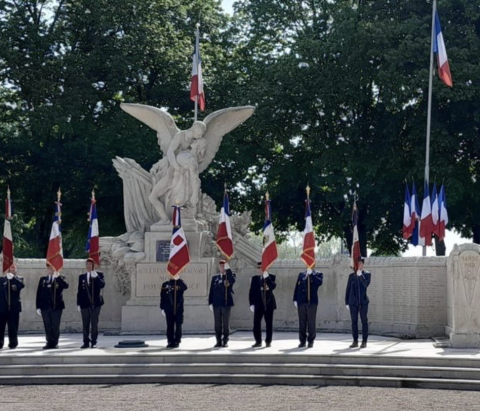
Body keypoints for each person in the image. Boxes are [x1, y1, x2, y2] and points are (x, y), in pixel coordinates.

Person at [36, 264, 69, 349]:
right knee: (47, 325)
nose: (50, 270)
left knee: (55, 325)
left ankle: (55, 342)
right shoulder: (43, 279)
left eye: (52, 268)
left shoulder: (61, 277)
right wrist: (38, 306)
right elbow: (39, 293)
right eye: (48, 268)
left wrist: (57, 277)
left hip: (56, 306)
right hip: (45, 306)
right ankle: (49, 342)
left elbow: (66, 286)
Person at [76, 258, 106, 349]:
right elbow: (79, 291)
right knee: (85, 323)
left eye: (90, 264)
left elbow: (102, 285)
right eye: (87, 264)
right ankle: (85, 341)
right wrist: (78, 303)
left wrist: (96, 277)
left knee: (94, 323)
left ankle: (94, 342)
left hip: (96, 303)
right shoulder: (82, 277)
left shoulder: (99, 275)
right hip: (84, 303)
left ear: (94, 266)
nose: (88, 266)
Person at [293, 267, 323, 348]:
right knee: (302, 322)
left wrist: (312, 274)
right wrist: (295, 299)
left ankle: (311, 340)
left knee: (311, 322)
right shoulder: (301, 274)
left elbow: (319, 283)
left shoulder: (318, 274)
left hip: (312, 302)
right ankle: (302, 341)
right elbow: (297, 287)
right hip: (301, 301)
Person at [208, 260, 236, 348]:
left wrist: (228, 270)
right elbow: (211, 291)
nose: (222, 268)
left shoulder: (230, 276)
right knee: (217, 324)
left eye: (224, 266)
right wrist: (210, 302)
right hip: (216, 304)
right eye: (221, 266)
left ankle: (225, 341)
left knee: (225, 323)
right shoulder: (214, 278)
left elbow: (232, 281)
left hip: (226, 303)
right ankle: (218, 341)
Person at [249, 261, 277, 348]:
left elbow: (272, 286)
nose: (260, 269)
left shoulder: (271, 277)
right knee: (256, 323)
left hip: (268, 303)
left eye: (262, 267)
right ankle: (258, 341)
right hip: (258, 304)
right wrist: (251, 303)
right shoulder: (254, 278)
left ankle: (268, 341)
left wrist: (267, 277)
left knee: (269, 323)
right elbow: (251, 292)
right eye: (259, 267)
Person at [345, 256, 371, 348]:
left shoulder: (367, 274)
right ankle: (355, 341)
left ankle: (364, 341)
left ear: (363, 265)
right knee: (354, 322)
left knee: (364, 321)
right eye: (358, 263)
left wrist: (361, 276)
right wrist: (346, 302)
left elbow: (365, 285)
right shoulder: (351, 276)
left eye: (361, 263)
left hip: (363, 302)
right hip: (353, 302)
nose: (359, 265)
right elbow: (348, 290)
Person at [0, 264, 25, 349]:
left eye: (13, 268)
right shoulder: (2, 279)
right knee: (0, 327)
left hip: (14, 308)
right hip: (2, 308)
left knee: (13, 327)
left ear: (16, 269)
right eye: (10, 268)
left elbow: (21, 285)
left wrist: (13, 278)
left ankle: (13, 343)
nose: (11, 269)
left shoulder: (19, 279)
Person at [160, 274, 188, 349]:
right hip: (168, 309)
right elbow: (162, 297)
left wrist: (178, 279)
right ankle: (170, 341)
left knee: (178, 325)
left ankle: (177, 340)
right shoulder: (165, 284)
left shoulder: (180, 283)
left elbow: (185, 287)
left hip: (178, 308)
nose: (172, 275)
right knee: (170, 325)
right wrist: (162, 307)